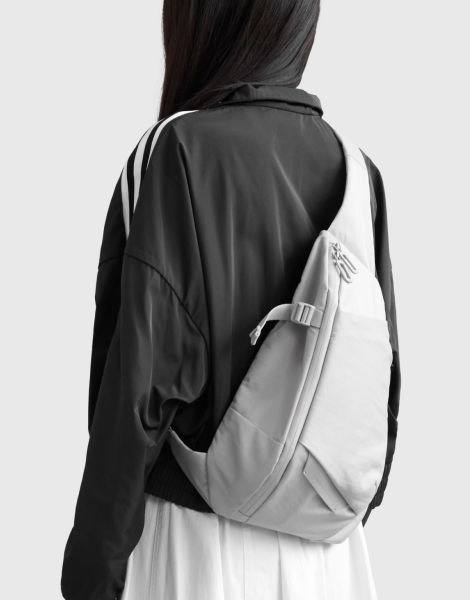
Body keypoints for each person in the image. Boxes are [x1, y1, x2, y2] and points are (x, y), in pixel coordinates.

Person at [61, 1, 401, 599]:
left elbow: (133, 395)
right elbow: (380, 391)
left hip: (194, 550)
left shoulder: (175, 150)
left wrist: (92, 576)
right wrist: (310, 507)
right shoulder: (359, 171)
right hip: (330, 560)